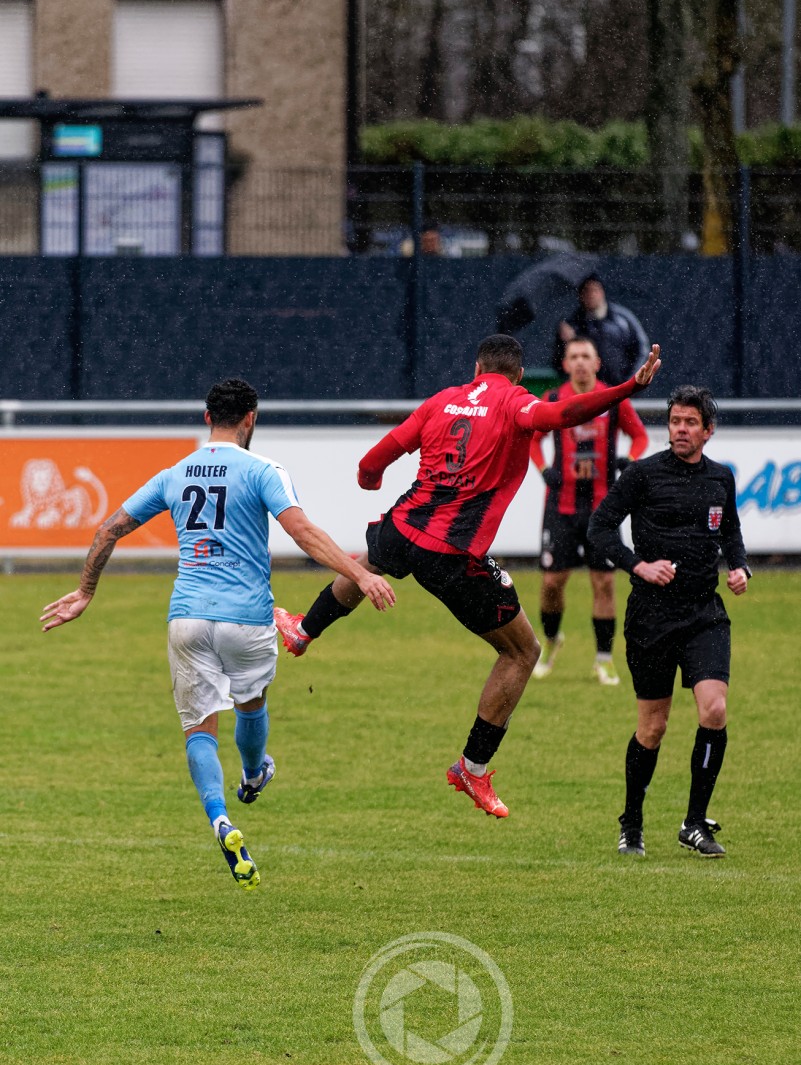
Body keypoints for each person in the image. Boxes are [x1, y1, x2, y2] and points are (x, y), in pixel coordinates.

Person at [274, 335, 662, 821]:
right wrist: (627, 386)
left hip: (404, 524)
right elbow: (562, 415)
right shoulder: (517, 402)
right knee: (523, 651)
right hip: (453, 552)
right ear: (518, 375)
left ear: (476, 366)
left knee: (370, 561)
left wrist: (371, 482)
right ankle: (472, 768)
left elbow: (370, 465)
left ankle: (303, 629)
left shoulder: (441, 401)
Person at [40, 379, 396, 892]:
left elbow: (108, 530)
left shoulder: (175, 473)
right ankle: (253, 775)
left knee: (198, 731)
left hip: (186, 616)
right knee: (251, 706)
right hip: (247, 617)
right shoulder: (263, 470)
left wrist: (85, 591)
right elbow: (302, 531)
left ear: (208, 417)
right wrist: (360, 574)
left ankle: (220, 820)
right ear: (250, 418)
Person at [587, 384, 751, 858]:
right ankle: (631, 822)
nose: (680, 429)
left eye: (690, 422)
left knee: (714, 711)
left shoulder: (721, 478)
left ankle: (695, 823)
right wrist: (639, 566)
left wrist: (739, 566)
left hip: (704, 612)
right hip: (651, 617)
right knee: (652, 729)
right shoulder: (641, 475)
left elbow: (732, 530)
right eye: (675, 421)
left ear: (708, 430)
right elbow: (599, 529)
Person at [530, 336, 649, 685]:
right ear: (565, 364)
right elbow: (532, 440)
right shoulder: (552, 399)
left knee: (604, 584)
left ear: (597, 363)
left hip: (603, 509)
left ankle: (603, 658)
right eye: (574, 356)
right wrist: (543, 470)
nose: (580, 362)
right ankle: (552, 641)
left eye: (586, 356)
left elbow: (640, 438)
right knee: (552, 583)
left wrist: (632, 461)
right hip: (561, 506)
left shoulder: (613, 401)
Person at [553, 274, 650, 387]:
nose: (591, 295)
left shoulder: (622, 319)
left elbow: (641, 350)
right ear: (580, 295)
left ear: (602, 291)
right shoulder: (571, 325)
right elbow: (559, 363)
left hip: (619, 389)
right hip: (586, 393)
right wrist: (566, 343)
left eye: (595, 290)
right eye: (586, 291)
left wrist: (630, 382)